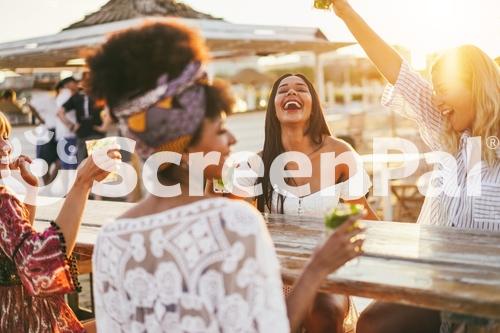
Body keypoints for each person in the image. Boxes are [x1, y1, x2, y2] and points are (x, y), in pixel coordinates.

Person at [88, 21, 365, 333]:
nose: (232, 140)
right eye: (220, 130)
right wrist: (318, 268)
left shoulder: (111, 238)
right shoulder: (233, 220)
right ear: (186, 143)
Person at [328, 1, 500, 332]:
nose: (437, 101)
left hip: (487, 294)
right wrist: (345, 12)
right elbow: (398, 72)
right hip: (434, 281)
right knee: (372, 324)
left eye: (444, 90)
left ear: (476, 86)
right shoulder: (448, 135)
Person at [231, 73, 378, 332]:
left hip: (328, 272)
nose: (291, 93)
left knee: (322, 314)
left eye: (301, 89)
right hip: (276, 273)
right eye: (283, 90)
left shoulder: (341, 154)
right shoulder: (255, 163)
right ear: (273, 108)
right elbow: (235, 225)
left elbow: (363, 216)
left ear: (314, 105)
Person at [0, 111, 121, 332]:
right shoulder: (3, 199)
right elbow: (40, 261)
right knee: (130, 320)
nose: (5, 146)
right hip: (28, 321)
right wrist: (82, 182)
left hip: (11, 316)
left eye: (5, 136)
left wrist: (31, 189)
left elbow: (18, 243)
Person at [58, 75, 106, 165]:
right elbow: (109, 110)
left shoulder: (77, 96)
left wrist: (70, 125)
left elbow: (60, 112)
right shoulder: (98, 95)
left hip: (85, 133)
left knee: (84, 165)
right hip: (94, 132)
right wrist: (104, 127)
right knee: (98, 165)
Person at [29, 87, 60, 184]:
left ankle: (49, 184)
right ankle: (48, 184)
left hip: (59, 132)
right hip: (47, 131)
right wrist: (41, 119)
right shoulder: (46, 98)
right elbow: (30, 105)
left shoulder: (64, 99)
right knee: (43, 161)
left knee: (60, 161)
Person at [55, 77, 79, 170]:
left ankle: (68, 184)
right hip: (69, 134)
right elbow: (59, 113)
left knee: (66, 164)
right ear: (68, 84)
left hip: (62, 134)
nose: (77, 86)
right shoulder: (67, 94)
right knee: (72, 165)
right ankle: (71, 184)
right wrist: (70, 125)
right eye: (75, 83)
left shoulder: (61, 95)